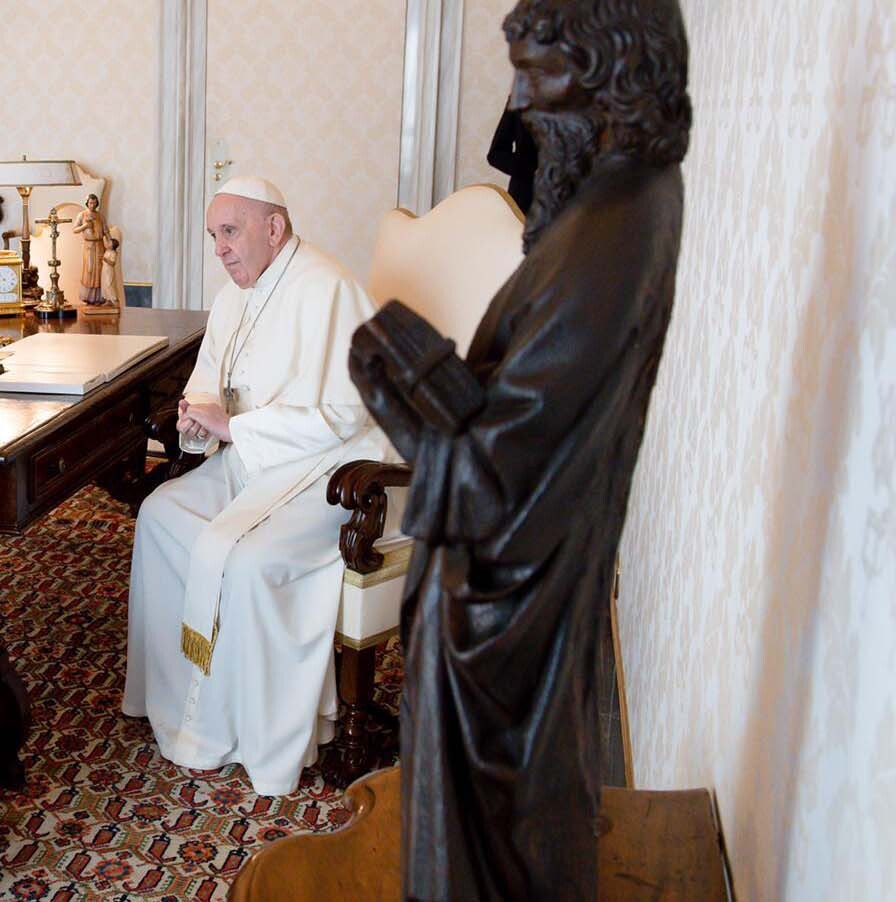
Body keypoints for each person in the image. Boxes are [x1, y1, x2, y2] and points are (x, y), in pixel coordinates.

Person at [348, 1, 692, 896]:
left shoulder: (610, 235)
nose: (521, 101)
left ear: (611, 69)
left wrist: (400, 381)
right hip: (521, 591)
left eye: (540, 73)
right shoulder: (606, 201)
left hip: (507, 616)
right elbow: (525, 411)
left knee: (493, 854)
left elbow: (501, 484)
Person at [122, 176, 389, 796]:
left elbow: (347, 414)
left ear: (275, 228)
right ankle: (180, 705)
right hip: (250, 463)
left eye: (231, 232)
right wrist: (200, 416)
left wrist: (237, 426)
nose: (221, 249)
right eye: (214, 236)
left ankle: (256, 733)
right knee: (161, 515)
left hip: (326, 473)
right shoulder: (233, 296)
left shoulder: (330, 289)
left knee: (247, 558)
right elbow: (210, 382)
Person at [71, 193, 107, 305]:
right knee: (89, 270)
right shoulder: (82, 215)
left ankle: (99, 297)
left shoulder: (100, 216)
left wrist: (110, 242)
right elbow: (75, 229)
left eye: (95, 203)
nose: (92, 205)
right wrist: (85, 226)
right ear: (87, 203)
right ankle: (88, 297)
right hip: (89, 246)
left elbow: (105, 230)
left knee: (100, 270)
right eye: (91, 203)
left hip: (100, 245)